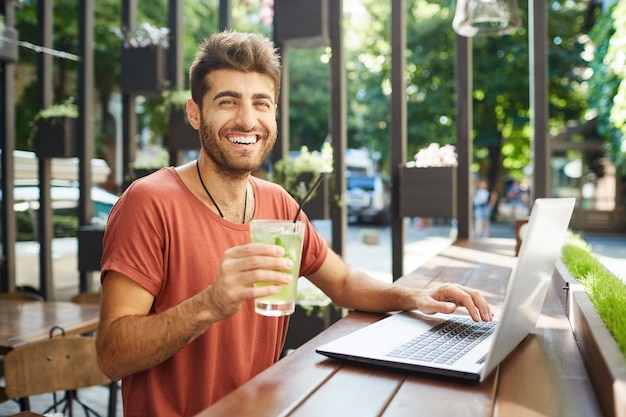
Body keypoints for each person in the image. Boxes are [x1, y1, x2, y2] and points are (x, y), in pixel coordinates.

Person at [96, 30, 494, 416]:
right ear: (195, 113)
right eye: (228, 101)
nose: (247, 120)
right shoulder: (148, 201)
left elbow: (341, 282)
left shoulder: (279, 203)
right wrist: (210, 303)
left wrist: (416, 296)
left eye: (262, 103)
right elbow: (112, 357)